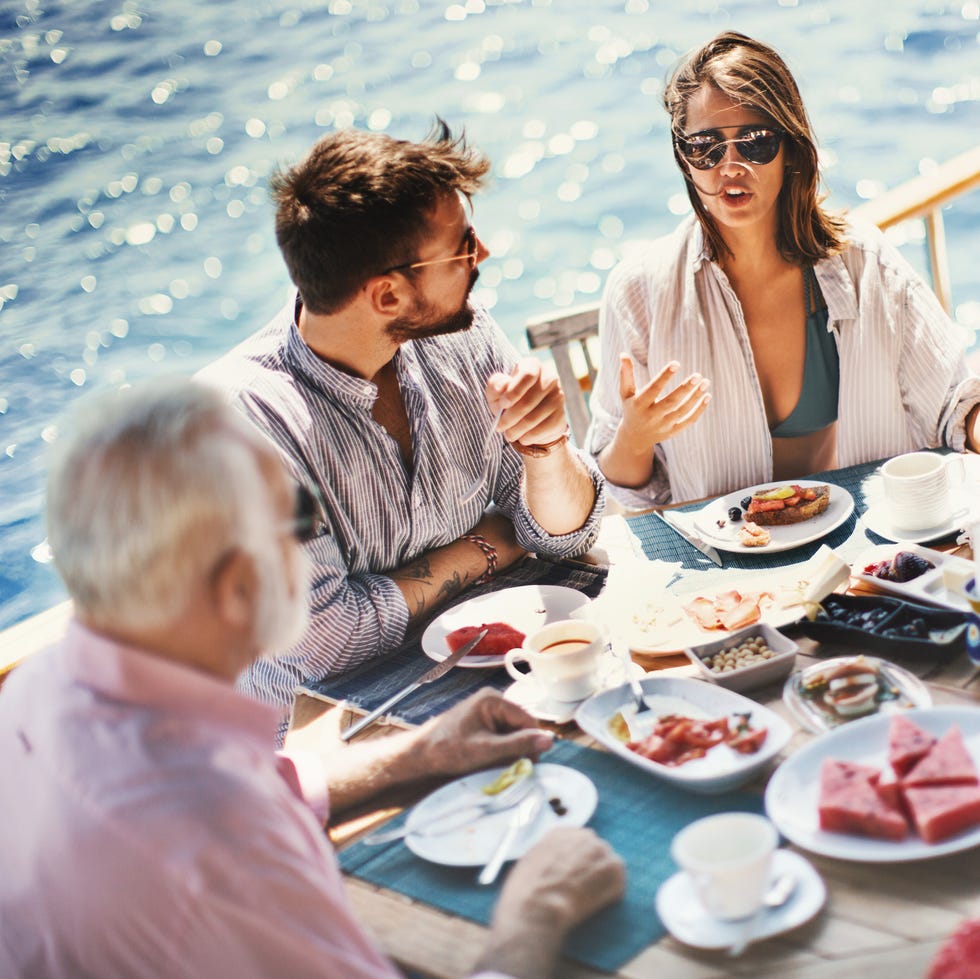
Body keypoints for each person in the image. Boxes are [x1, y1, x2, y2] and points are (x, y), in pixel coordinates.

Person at [0, 378, 625, 979]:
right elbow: (210, 821)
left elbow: (232, 785)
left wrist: (419, 753)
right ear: (237, 586)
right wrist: (536, 916)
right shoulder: (221, 856)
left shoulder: (42, 687)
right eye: (302, 522)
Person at [199, 122, 604, 728]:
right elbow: (325, 641)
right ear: (387, 296)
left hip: (482, 666)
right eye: (464, 246)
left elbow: (559, 537)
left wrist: (548, 454)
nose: (483, 254)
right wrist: (487, 546)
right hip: (327, 732)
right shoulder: (240, 427)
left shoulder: (461, 335)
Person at [586, 30, 980, 509]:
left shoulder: (865, 263)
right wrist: (636, 434)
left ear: (791, 148)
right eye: (705, 147)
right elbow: (619, 489)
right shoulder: (639, 292)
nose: (730, 165)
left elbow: (954, 405)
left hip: (865, 547)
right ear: (684, 159)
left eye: (754, 142)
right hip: (725, 565)